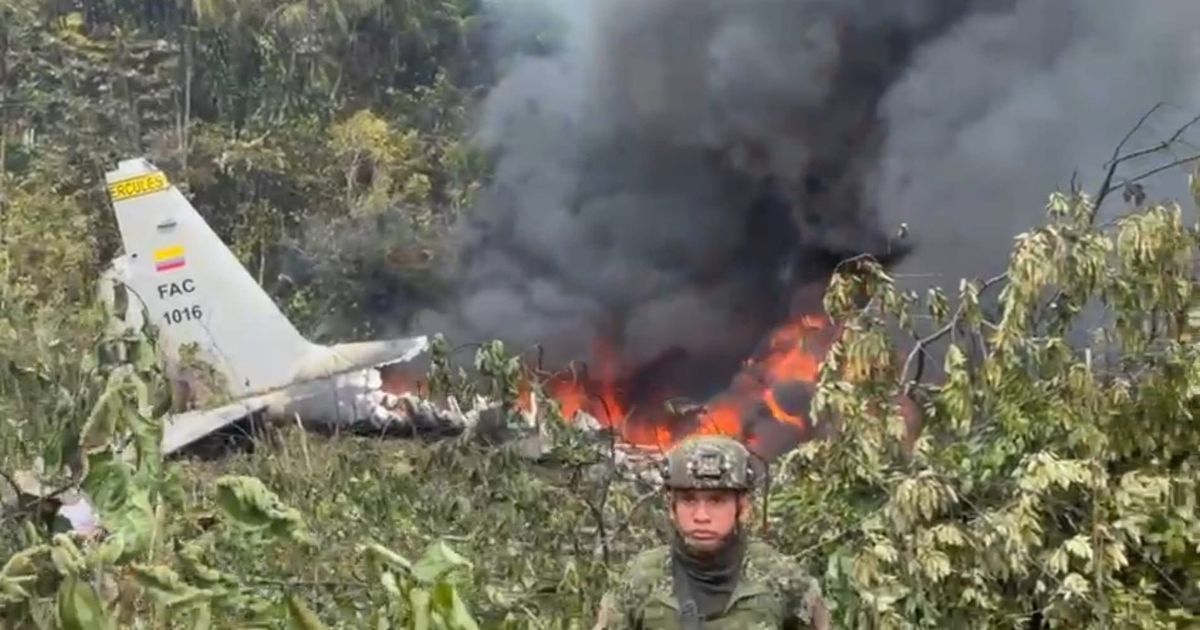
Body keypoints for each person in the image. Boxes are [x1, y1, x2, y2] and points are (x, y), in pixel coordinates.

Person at [594, 434, 831, 629]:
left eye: (716, 501)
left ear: (742, 508)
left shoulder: (782, 578)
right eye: (688, 500)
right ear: (672, 508)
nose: (701, 516)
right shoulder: (641, 579)